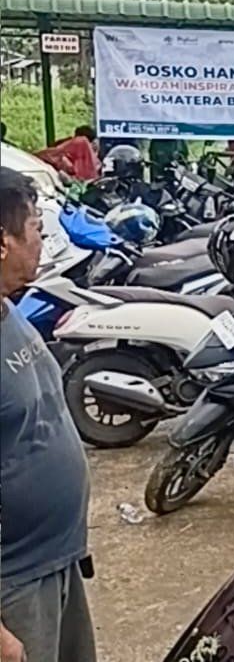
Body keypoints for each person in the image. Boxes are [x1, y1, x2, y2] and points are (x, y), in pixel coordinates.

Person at [0, 168, 97, 662]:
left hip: (55, 558)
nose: (43, 239)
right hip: (12, 584)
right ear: (2, 241)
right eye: (36, 226)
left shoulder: (9, 311)